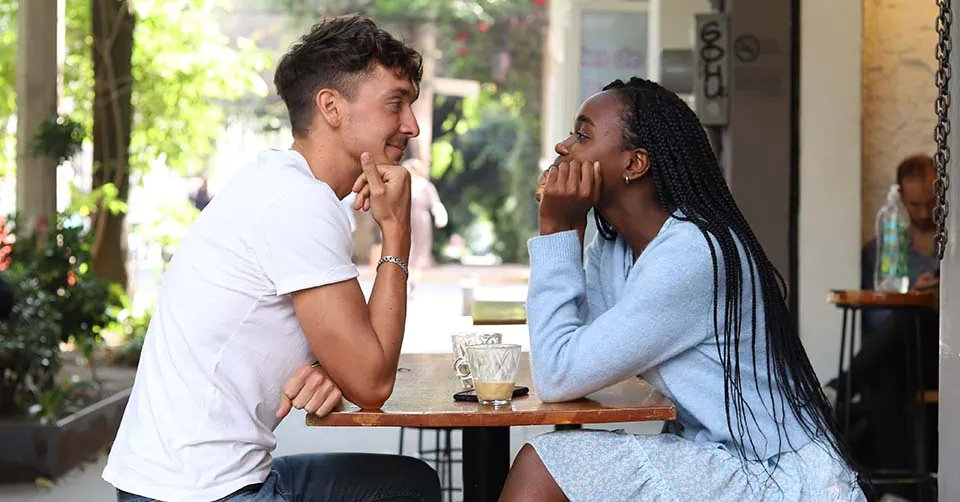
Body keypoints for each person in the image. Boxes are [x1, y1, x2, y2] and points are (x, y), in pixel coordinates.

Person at [102, 15, 441, 502]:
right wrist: (397, 233)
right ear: (331, 107)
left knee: (406, 484)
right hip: (197, 493)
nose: (411, 124)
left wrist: (331, 367)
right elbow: (372, 382)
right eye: (396, 103)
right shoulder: (297, 203)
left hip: (184, 481)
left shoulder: (283, 185)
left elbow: (346, 356)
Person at [500, 77, 865, 501]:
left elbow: (558, 373)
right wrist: (571, 231)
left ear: (635, 164)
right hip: (713, 454)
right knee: (556, 462)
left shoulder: (692, 255)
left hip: (774, 473)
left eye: (582, 135)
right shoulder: (615, 247)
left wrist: (556, 230)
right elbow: (578, 359)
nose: (564, 147)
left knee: (543, 465)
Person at [824, 155, 940, 496]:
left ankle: (838, 388)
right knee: (891, 356)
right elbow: (874, 320)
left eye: (931, 204)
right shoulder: (882, 249)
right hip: (897, 357)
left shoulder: (953, 246)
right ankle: (899, 492)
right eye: (914, 204)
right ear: (900, 199)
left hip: (941, 357)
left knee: (914, 315)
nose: (922, 213)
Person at [402, 158, 447, 290]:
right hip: (405, 220)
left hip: (421, 220)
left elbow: (435, 203)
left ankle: (413, 280)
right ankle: (406, 278)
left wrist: (440, 216)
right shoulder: (404, 184)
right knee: (407, 248)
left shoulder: (425, 186)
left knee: (420, 250)